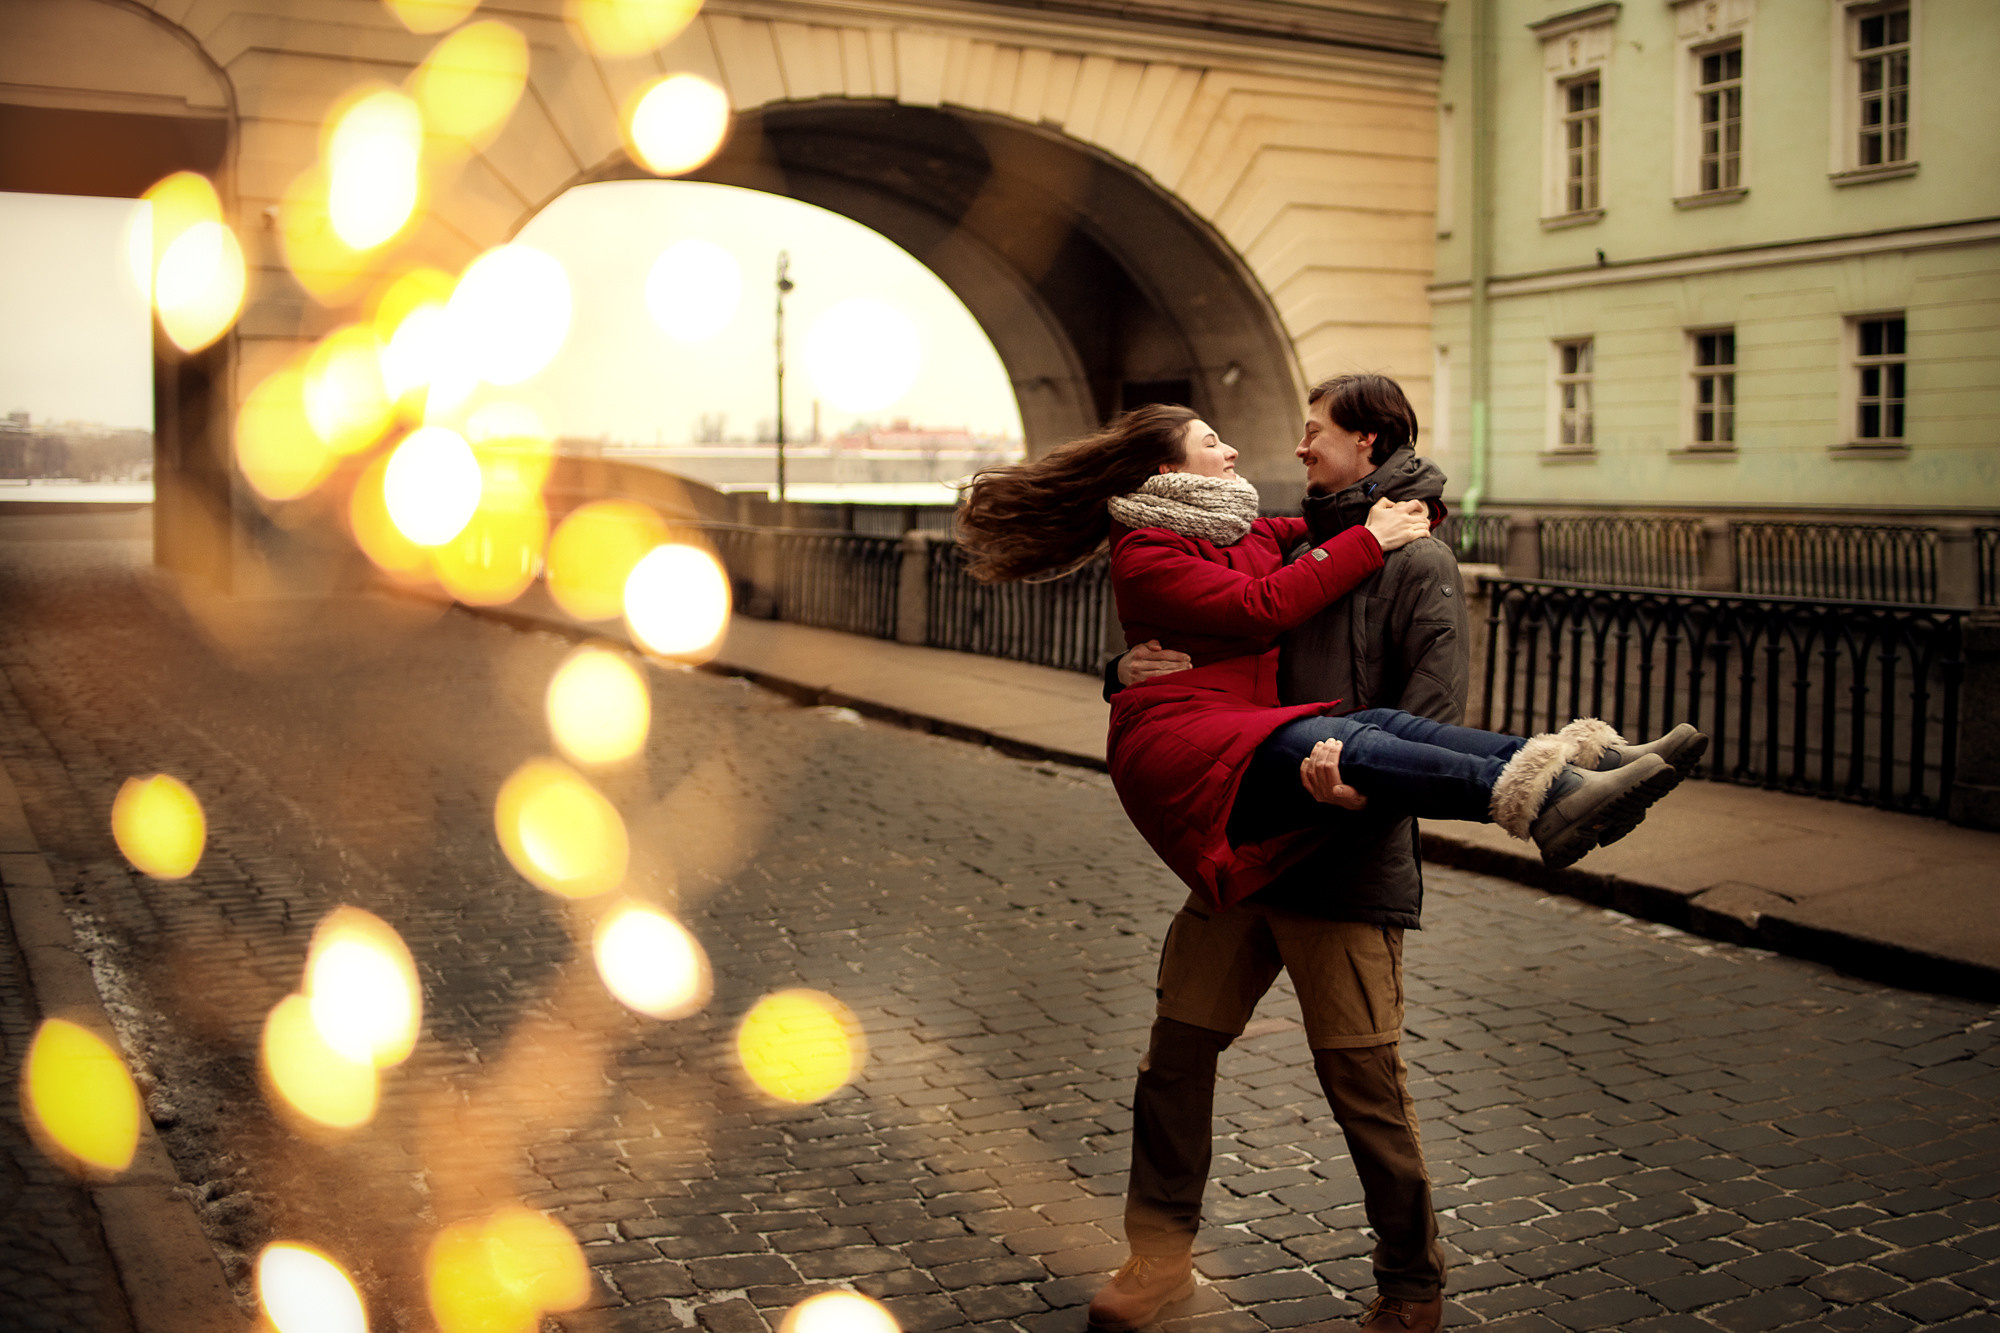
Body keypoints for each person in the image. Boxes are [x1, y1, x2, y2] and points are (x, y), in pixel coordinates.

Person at [958, 386, 1704, 1332]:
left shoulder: (1417, 559)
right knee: (1176, 1060)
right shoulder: (1267, 532)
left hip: (1343, 850)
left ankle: (1410, 1288)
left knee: (1366, 1092)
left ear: (1367, 441)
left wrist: (1356, 792)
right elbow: (1222, 620)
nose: (1292, 444)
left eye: (1315, 431)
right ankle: (1157, 1262)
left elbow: (1426, 725)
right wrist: (1122, 672)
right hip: (1245, 832)